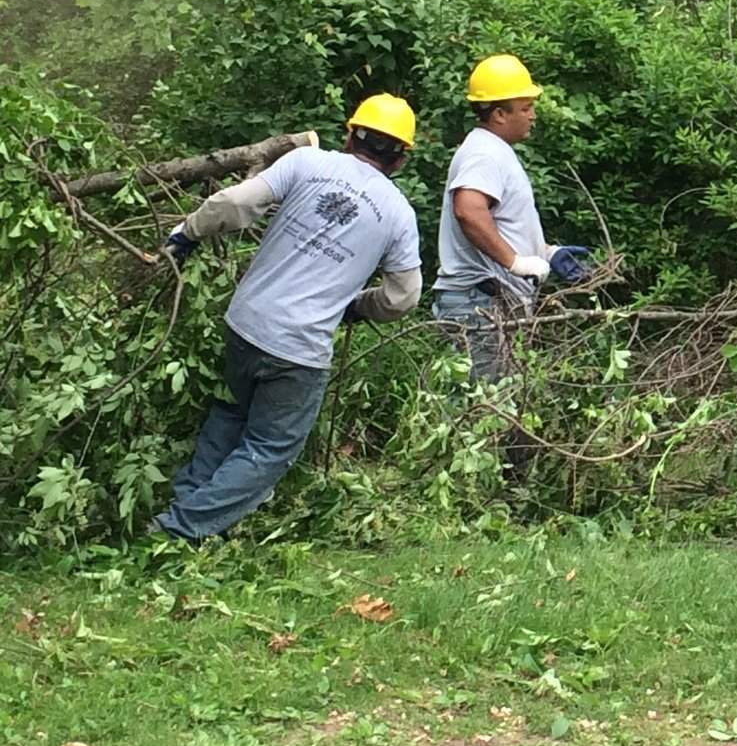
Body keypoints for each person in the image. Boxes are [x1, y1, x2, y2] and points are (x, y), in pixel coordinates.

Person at [151, 94, 423, 543]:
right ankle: (180, 529)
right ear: (400, 160)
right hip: (299, 350)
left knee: (233, 413)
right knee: (271, 446)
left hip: (245, 323)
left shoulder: (306, 162)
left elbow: (233, 204)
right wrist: (357, 306)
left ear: (350, 133)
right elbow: (404, 297)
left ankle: (187, 502)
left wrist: (187, 233)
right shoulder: (398, 214)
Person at [432, 54, 591, 381]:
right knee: (478, 413)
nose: (533, 115)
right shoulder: (484, 154)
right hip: (479, 303)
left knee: (494, 410)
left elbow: (501, 221)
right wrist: (515, 263)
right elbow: (469, 210)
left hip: (487, 302)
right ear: (499, 114)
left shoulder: (492, 150)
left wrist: (546, 252)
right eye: (525, 108)